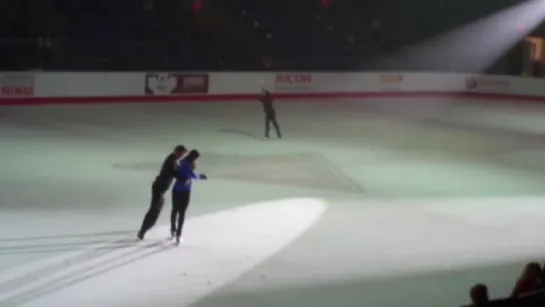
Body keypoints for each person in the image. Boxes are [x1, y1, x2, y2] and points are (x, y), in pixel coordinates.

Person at [137, 145, 187, 240]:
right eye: (181, 154)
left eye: (183, 155)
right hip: (159, 189)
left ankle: (144, 230)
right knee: (153, 211)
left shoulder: (173, 159)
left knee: (156, 210)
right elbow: (174, 172)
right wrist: (183, 179)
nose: (181, 156)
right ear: (176, 151)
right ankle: (142, 231)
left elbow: (176, 170)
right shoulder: (171, 161)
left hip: (160, 189)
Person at [171, 149, 207, 245]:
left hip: (177, 189)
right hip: (185, 191)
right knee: (182, 213)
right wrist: (201, 177)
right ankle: (178, 235)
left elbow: (189, 174)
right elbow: (191, 175)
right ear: (194, 157)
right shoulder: (187, 164)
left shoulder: (183, 162)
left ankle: (173, 230)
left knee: (175, 210)